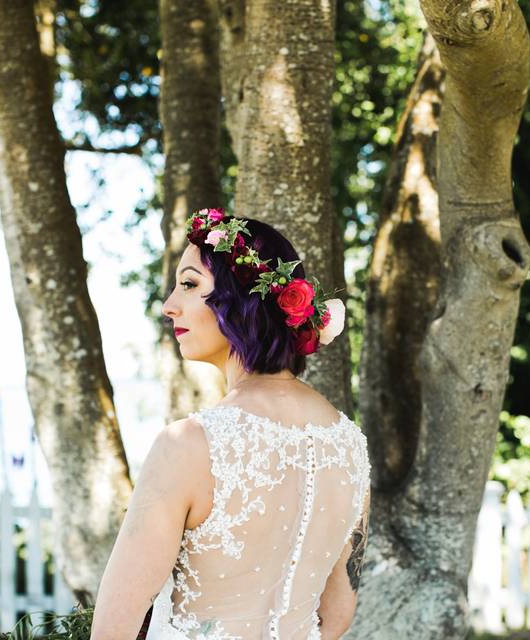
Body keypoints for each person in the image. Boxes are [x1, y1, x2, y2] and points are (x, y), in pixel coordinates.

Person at [90, 208, 372, 640]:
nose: (169, 306)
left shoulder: (187, 446)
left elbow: (112, 630)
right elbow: (336, 614)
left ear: (243, 297)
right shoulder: (350, 446)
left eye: (189, 284)